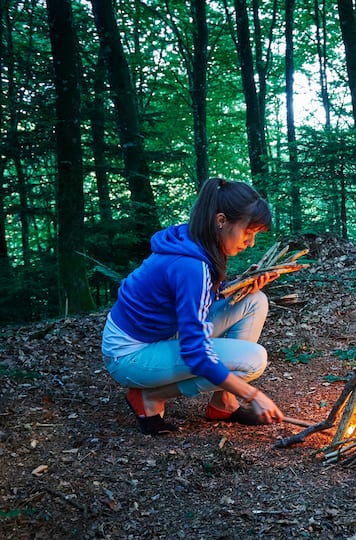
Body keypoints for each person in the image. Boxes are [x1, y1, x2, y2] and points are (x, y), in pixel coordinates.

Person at [102, 177, 285, 435]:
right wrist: (252, 394)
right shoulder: (191, 266)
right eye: (248, 232)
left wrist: (240, 284)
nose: (251, 242)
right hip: (130, 354)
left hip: (160, 334)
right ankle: (149, 396)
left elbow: (192, 298)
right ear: (221, 220)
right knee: (253, 360)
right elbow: (196, 353)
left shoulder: (195, 240)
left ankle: (223, 402)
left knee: (254, 301)